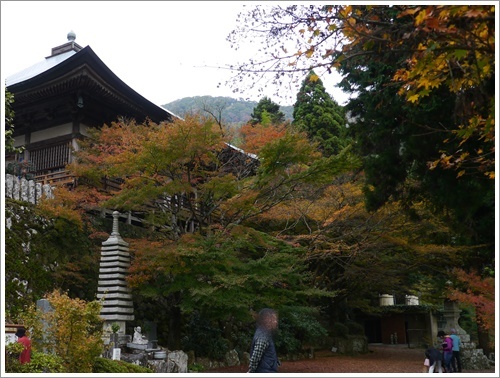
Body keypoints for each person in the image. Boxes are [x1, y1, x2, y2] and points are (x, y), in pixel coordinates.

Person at [248, 308, 280, 373]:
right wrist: (251, 371)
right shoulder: (263, 335)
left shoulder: (265, 333)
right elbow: (255, 357)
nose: (276, 321)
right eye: (273, 319)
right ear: (266, 320)